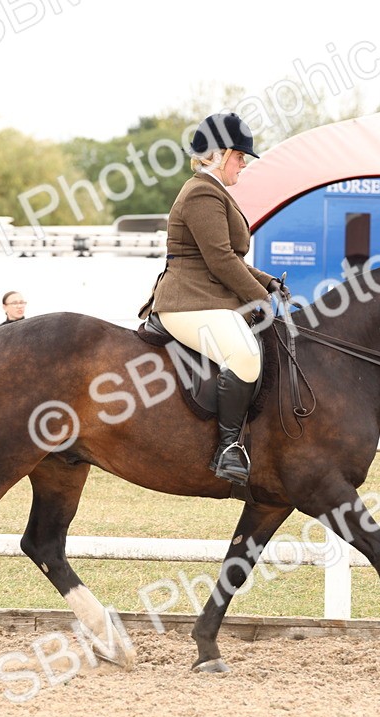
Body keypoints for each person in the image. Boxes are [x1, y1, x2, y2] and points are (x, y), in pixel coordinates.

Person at [138, 111, 283, 486]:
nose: (243, 165)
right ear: (217, 154)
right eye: (239, 156)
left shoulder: (214, 191)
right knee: (245, 356)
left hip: (204, 297)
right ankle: (228, 448)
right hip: (186, 302)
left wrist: (266, 282)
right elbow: (219, 260)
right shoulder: (203, 191)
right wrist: (259, 299)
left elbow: (226, 257)